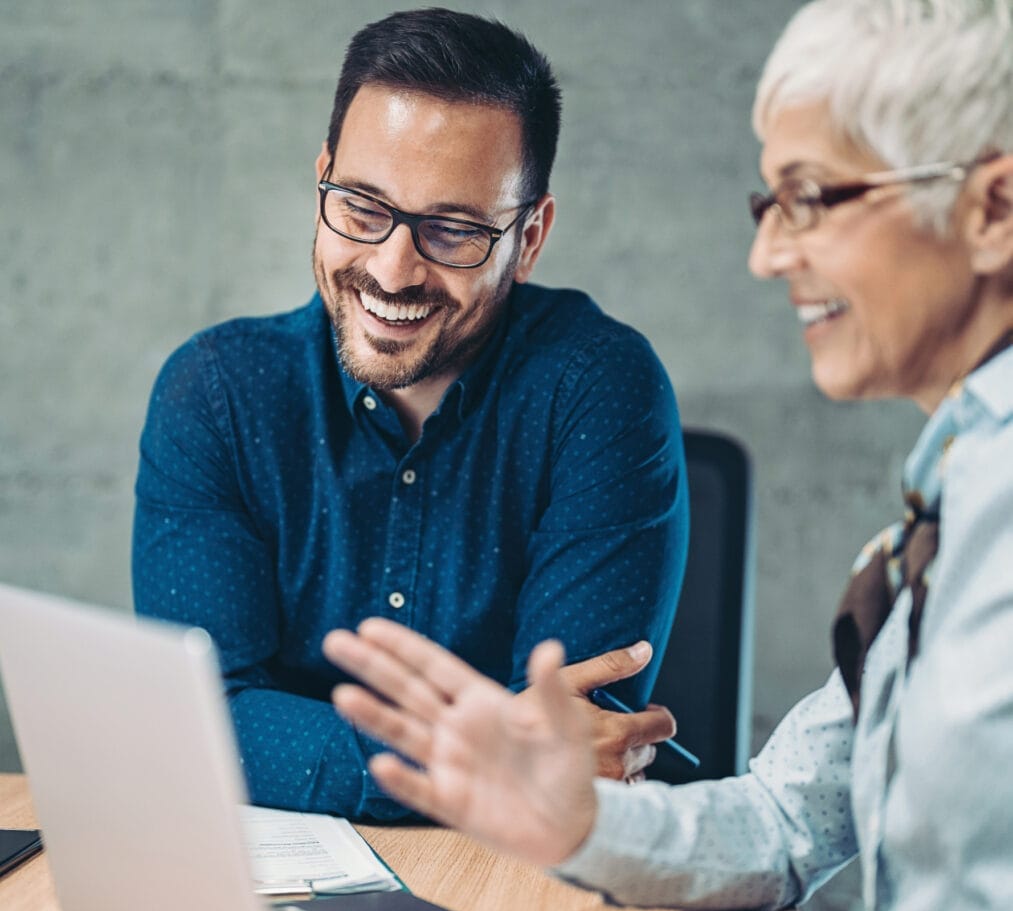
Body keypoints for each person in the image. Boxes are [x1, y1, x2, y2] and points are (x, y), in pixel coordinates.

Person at [324, 0, 1013, 911]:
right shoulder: (956, 492)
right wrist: (573, 822)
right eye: (766, 204)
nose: (767, 256)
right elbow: (788, 821)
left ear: (992, 211)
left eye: (812, 198)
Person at [132, 9, 688, 819]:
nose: (392, 270)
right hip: (272, 884)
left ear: (528, 238)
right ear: (322, 175)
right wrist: (482, 759)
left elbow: (570, 738)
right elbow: (200, 720)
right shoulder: (215, 393)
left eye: (453, 229)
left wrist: (296, 749)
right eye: (361, 206)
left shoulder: (601, 389)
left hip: (521, 878)